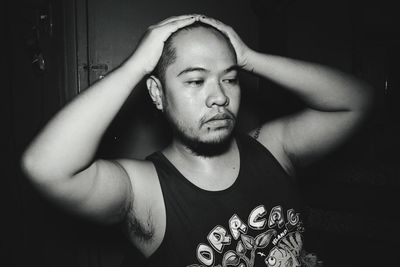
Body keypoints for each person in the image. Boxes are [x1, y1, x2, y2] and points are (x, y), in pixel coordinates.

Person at [21, 14, 373, 267]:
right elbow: (45, 168)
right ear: (157, 94)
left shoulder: (274, 148)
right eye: (194, 81)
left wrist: (251, 58)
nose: (219, 96)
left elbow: (357, 101)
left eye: (229, 79)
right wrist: (135, 67)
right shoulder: (146, 191)